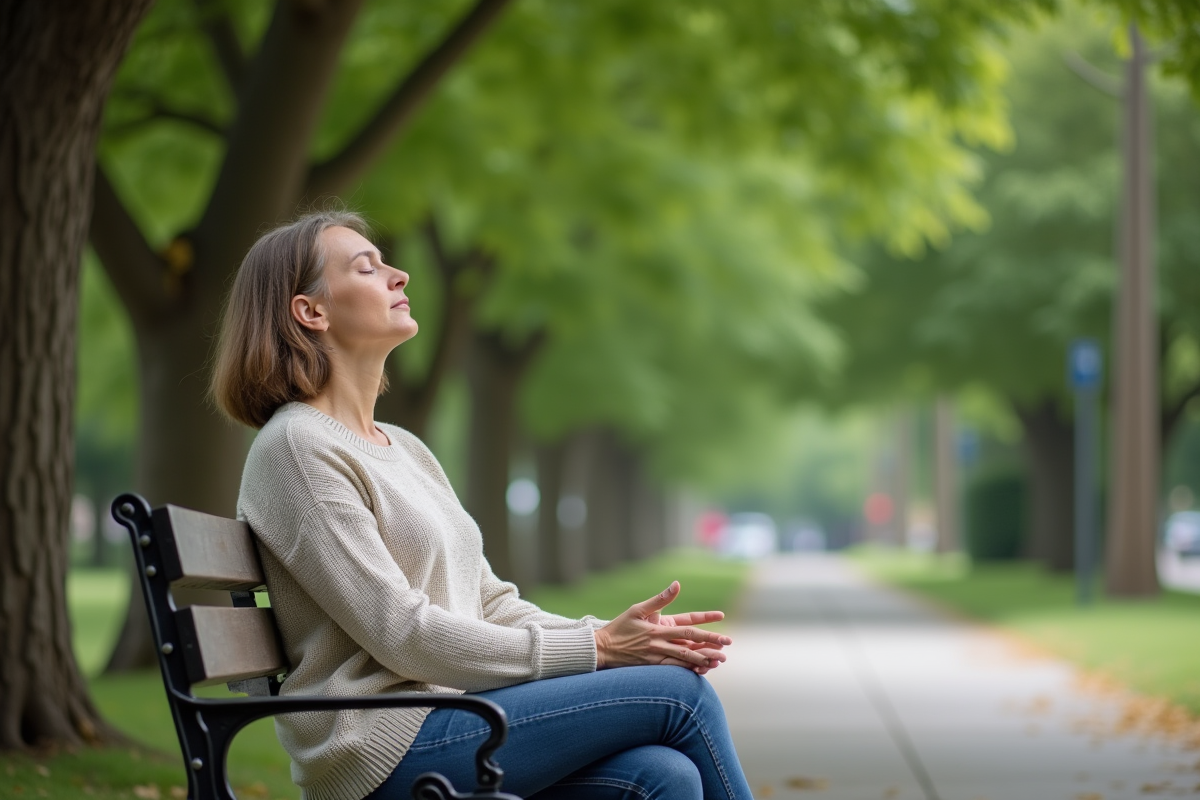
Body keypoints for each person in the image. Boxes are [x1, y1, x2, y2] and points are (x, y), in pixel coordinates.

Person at [211, 210, 754, 800]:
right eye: (367, 267)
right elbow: (403, 634)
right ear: (310, 311)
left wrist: (609, 635)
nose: (400, 276)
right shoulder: (297, 449)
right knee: (680, 696)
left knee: (661, 776)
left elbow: (488, 601)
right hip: (382, 750)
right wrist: (599, 651)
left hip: (453, 721)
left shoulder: (406, 450)